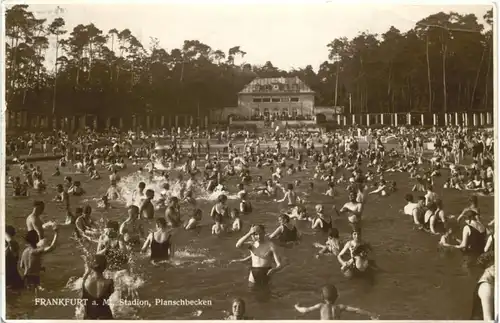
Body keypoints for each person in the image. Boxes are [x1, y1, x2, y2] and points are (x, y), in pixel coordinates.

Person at [294, 284, 379, 320]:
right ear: (337, 297)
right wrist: (370, 314)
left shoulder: (321, 306)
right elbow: (356, 310)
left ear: (322, 297)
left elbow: (305, 310)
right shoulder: (340, 307)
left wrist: (297, 307)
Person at [20, 226, 59, 290]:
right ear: (36, 239)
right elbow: (52, 247)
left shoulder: (25, 251)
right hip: (34, 278)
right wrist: (56, 233)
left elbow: (22, 266)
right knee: (36, 294)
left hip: (25, 277)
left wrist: (38, 267)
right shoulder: (36, 251)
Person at [81, 255, 114, 320]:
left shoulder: (84, 282)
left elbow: (84, 279)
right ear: (105, 267)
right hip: (106, 317)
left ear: (92, 267)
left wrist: (88, 271)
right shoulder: (109, 282)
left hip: (88, 318)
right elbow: (111, 292)